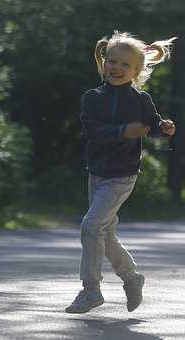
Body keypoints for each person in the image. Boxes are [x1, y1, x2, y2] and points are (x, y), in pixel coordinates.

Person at [65, 31, 177, 313]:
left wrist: (164, 129)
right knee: (105, 234)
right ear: (104, 62)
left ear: (136, 71)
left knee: (91, 226)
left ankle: (91, 291)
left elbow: (152, 127)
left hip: (122, 175)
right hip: (97, 173)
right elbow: (92, 130)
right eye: (112, 61)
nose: (116, 68)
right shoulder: (92, 98)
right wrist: (123, 131)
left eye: (125, 65)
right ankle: (131, 277)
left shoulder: (140, 100)